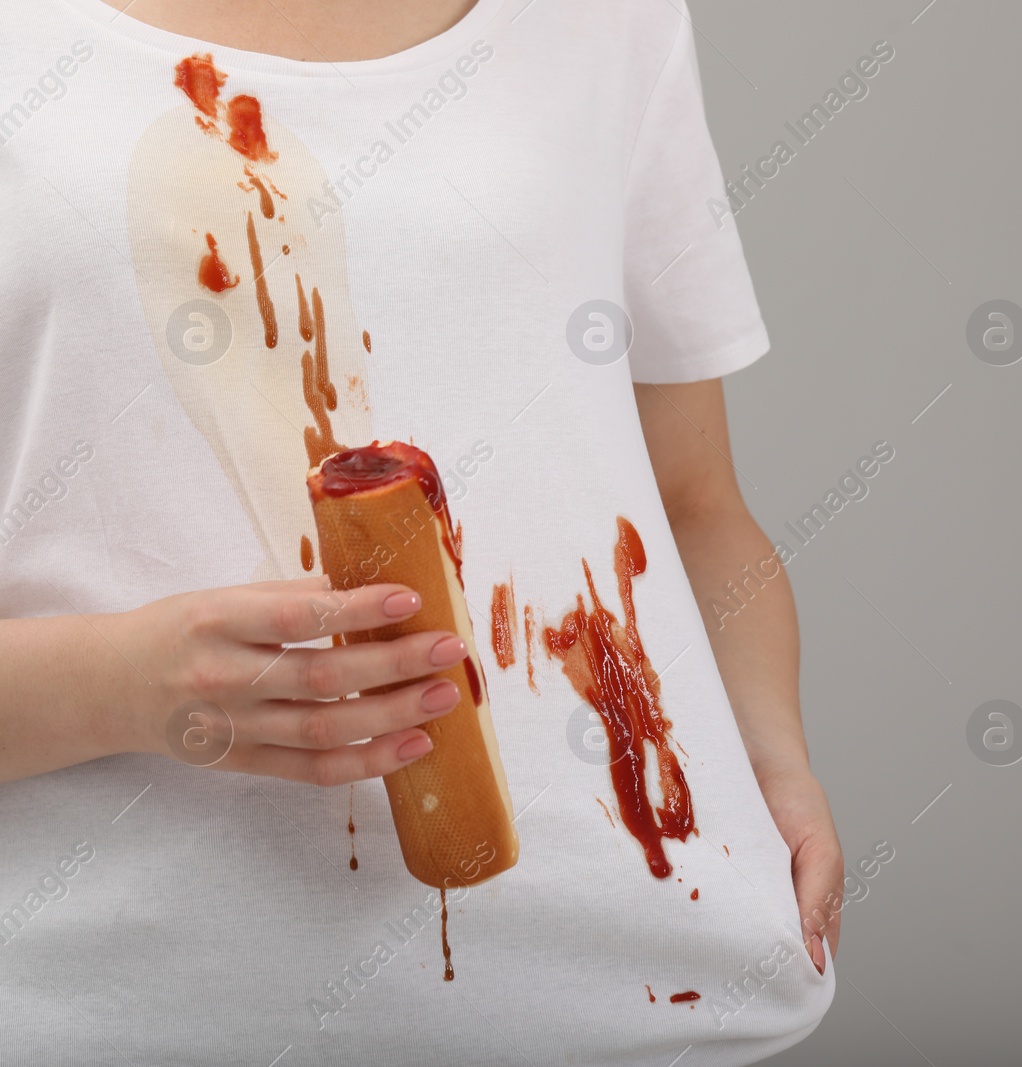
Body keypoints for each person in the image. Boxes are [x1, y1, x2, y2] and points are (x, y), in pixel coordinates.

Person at [0, 0, 841, 1062]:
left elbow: (694, 501)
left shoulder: (609, 20)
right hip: (131, 1008)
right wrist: (120, 681)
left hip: (645, 994)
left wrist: (774, 756)